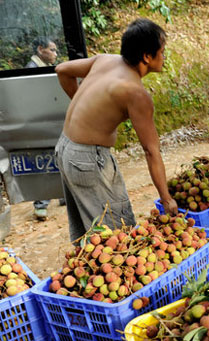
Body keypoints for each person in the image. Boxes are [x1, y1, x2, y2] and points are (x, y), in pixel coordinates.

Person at [54, 18, 178, 242]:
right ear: (147, 57)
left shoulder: (105, 60)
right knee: (118, 236)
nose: (164, 56)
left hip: (65, 149)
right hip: (86, 160)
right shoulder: (135, 93)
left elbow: (62, 70)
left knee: (90, 235)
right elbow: (151, 150)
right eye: (162, 51)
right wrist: (166, 198)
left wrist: (86, 107)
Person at [25, 36, 65, 220]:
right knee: (45, 159)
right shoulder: (31, 70)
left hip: (48, 119)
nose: (55, 54)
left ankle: (63, 195)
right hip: (40, 122)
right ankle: (41, 204)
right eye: (52, 50)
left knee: (58, 155)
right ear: (40, 49)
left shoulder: (41, 66)